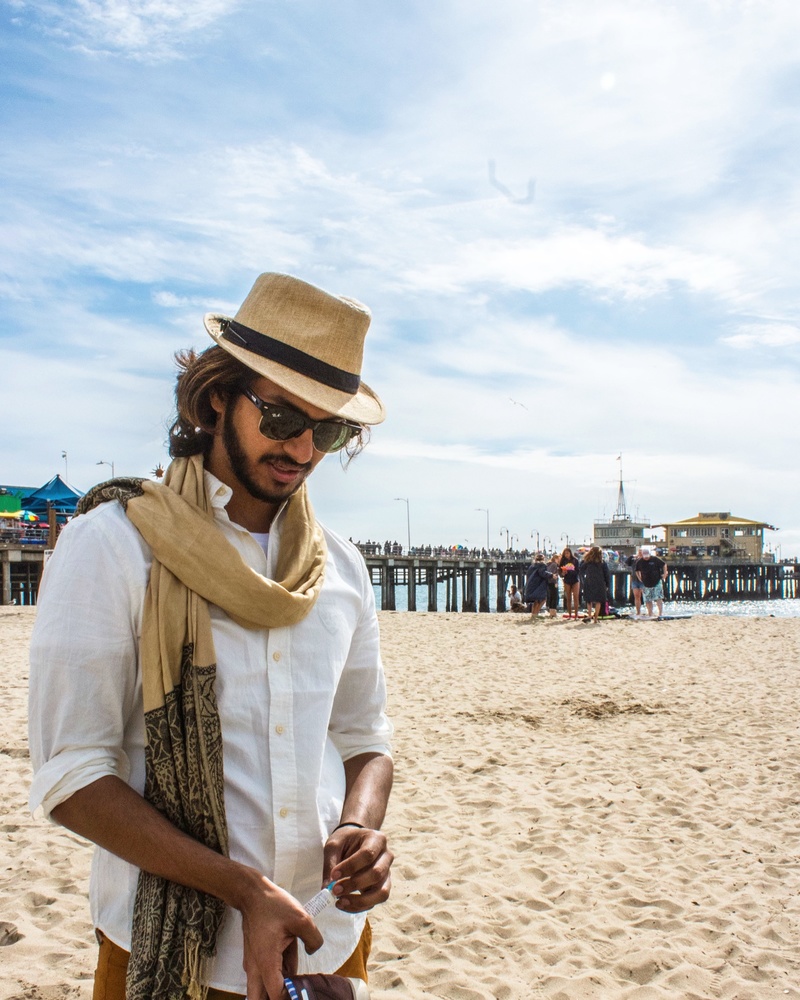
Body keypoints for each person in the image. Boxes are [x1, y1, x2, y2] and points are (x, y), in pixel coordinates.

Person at [28, 273, 394, 1000]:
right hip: (169, 952)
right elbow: (71, 776)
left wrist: (361, 828)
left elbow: (365, 738)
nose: (303, 450)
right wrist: (242, 890)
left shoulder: (342, 568)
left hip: (325, 948)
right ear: (218, 394)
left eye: (327, 431)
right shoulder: (114, 547)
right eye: (284, 417)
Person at [579, 546, 610, 624]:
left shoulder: (587, 561)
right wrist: (607, 584)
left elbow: (581, 569)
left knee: (589, 600)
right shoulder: (602, 562)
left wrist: (583, 579)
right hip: (600, 583)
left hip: (589, 581)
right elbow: (607, 574)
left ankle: (589, 616)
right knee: (598, 601)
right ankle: (595, 618)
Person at [635, 546, 668, 618]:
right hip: (646, 583)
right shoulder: (639, 562)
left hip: (657, 581)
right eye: (644, 556)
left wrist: (665, 574)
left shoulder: (655, 559)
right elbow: (637, 570)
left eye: (647, 556)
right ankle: (650, 613)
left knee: (659, 598)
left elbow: (664, 564)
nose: (646, 557)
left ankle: (660, 613)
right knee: (648, 599)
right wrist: (639, 578)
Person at [524, 553, 552, 621]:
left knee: (535, 601)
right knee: (542, 599)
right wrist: (551, 575)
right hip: (538, 585)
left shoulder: (532, 566)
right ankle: (536, 614)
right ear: (543, 559)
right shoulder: (542, 565)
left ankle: (533, 614)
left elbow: (528, 575)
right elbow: (542, 573)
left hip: (531, 585)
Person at [558, 546, 581, 619]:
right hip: (567, 580)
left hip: (575, 579)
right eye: (565, 553)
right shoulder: (563, 561)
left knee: (576, 597)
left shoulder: (575, 560)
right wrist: (563, 573)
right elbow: (560, 571)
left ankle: (576, 615)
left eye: (567, 553)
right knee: (568, 598)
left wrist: (570, 571)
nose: (566, 555)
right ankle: (570, 615)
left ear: (570, 553)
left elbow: (578, 571)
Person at [629, 548, 644, 616]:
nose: (640, 553)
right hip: (635, 579)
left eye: (641, 552)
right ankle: (638, 612)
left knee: (645, 596)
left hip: (643, 580)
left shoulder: (645, 560)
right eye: (639, 552)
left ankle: (649, 611)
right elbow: (627, 562)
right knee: (636, 596)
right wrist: (633, 556)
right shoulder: (634, 560)